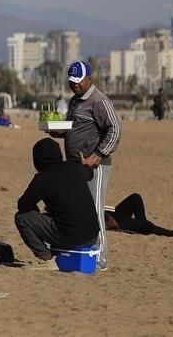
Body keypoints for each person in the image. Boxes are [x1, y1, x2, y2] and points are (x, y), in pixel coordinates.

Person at [61, 61, 121, 271]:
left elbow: (115, 131)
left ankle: (100, 257)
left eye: (78, 81)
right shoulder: (75, 101)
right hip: (75, 165)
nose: (75, 85)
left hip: (96, 166)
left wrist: (96, 156)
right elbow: (74, 126)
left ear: (89, 79)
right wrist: (57, 131)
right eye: (72, 82)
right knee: (80, 209)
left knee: (95, 209)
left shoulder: (99, 101)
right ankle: (83, 249)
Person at [14, 137, 100, 269]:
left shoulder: (42, 179)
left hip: (70, 236)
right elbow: (88, 173)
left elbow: (23, 206)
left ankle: (46, 259)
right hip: (92, 235)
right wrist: (86, 164)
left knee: (21, 218)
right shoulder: (74, 168)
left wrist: (38, 209)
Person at [104, 193, 173, 238]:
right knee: (145, 225)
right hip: (110, 220)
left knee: (136, 197)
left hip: (110, 213)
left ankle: (141, 225)